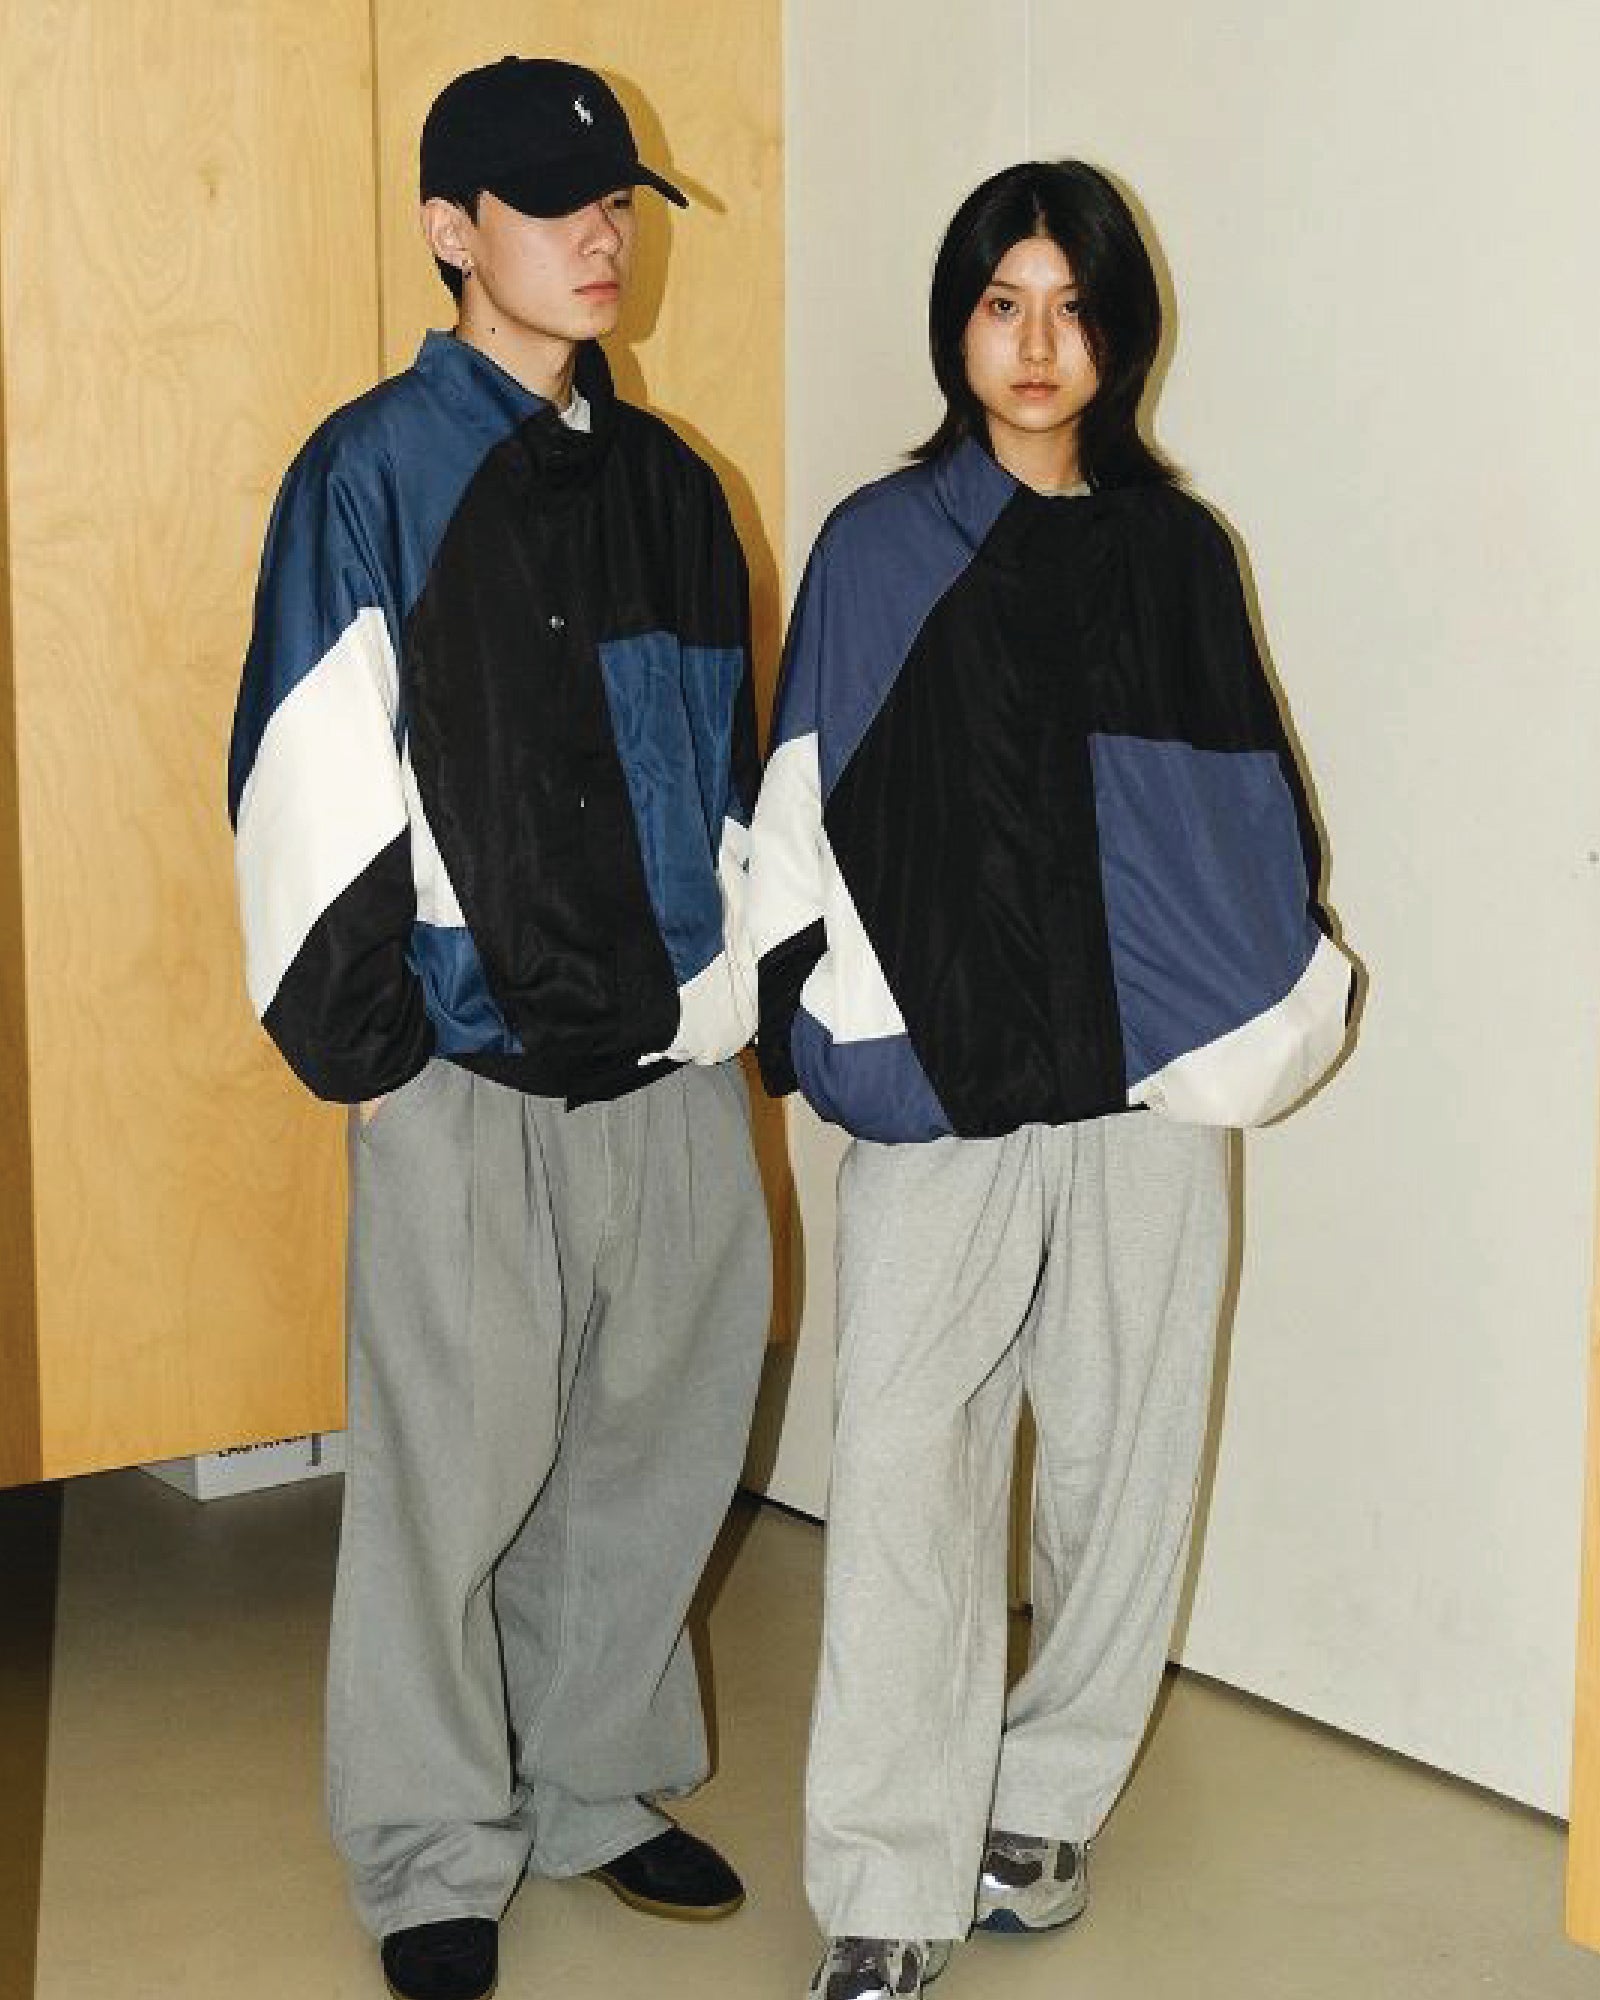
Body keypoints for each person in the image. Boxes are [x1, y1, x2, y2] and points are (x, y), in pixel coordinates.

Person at [747, 160, 1354, 2000]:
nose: (1036, 344)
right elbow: (794, 828)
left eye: (1070, 306)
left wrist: (1239, 1035)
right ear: (959, 324)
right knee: (909, 1480)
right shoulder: (878, 545)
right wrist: (853, 1050)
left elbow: (1250, 820)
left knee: (1119, 1470)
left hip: (1139, 1105)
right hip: (944, 1098)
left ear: (1118, 333)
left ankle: (1045, 1804)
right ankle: (882, 1881)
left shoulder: (1177, 554)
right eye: (1003, 303)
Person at [227, 57, 771, 2000]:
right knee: (453, 1465)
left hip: (665, 1051)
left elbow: (725, 775)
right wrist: (366, 1053)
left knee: (656, 1431)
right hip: (453, 1050)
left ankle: (601, 1782)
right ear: (453, 231)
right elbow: (304, 782)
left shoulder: (673, 485)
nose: (600, 232)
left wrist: (740, 1012)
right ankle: (428, 1840)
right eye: (553, 203)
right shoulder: (367, 472)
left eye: (616, 199)